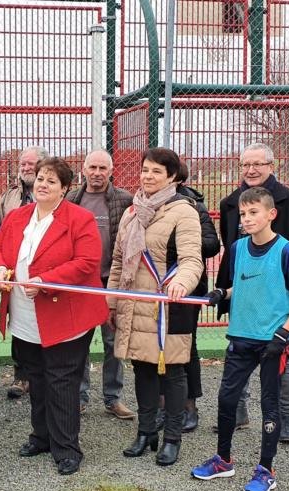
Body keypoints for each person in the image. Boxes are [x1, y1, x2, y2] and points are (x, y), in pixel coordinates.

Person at [0, 157, 108, 476]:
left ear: (65, 188)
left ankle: (66, 448)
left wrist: (46, 281)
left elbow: (87, 262)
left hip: (65, 316)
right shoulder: (17, 217)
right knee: (36, 379)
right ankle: (41, 436)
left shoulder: (79, 219)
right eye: (40, 178)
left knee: (62, 382)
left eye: (51, 181)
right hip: (25, 315)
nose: (42, 184)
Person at [192, 186, 289, 491]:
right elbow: (237, 287)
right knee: (226, 399)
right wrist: (221, 294)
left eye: (253, 212)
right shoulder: (237, 249)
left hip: (272, 342)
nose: (246, 218)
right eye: (243, 214)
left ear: (271, 214)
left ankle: (266, 470)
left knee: (269, 405)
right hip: (241, 337)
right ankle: (223, 460)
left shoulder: (286, 251)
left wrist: (283, 334)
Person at [109, 148, 203, 467]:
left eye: (156, 172)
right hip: (135, 303)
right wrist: (113, 301)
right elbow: (119, 260)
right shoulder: (132, 211)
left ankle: (172, 439)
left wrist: (183, 283)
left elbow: (192, 259)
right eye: (145, 170)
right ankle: (145, 432)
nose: (148, 177)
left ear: (172, 177)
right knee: (142, 369)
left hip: (169, 305)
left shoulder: (183, 211)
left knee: (173, 372)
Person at [214, 143, 289, 442]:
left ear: (272, 165)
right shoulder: (231, 202)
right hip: (243, 288)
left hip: (277, 298)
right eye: (246, 164)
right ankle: (238, 413)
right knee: (238, 353)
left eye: (258, 164)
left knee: (282, 362)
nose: (251, 170)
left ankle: (286, 421)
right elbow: (230, 243)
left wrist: (280, 281)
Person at [65, 149, 135, 420]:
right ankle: (79, 396)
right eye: (92, 167)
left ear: (111, 170)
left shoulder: (123, 199)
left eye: (102, 168)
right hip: (81, 282)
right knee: (79, 342)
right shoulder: (71, 199)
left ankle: (113, 398)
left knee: (113, 342)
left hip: (110, 282)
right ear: (83, 169)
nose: (96, 173)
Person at [165, 170, 221, 433]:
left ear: (175, 178)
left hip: (187, 287)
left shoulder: (194, 207)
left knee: (186, 346)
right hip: (154, 288)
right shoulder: (144, 205)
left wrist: (178, 242)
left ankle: (189, 406)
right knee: (156, 346)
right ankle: (163, 406)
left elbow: (212, 244)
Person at [0, 146, 48, 399]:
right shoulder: (9, 197)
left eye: (31, 164)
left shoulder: (58, 195)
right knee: (18, 324)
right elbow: (0, 234)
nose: (26, 168)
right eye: (23, 164)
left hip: (44, 275)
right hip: (14, 274)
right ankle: (21, 376)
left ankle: (45, 376)